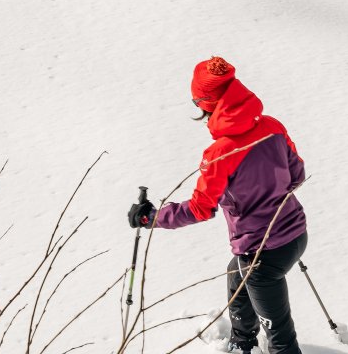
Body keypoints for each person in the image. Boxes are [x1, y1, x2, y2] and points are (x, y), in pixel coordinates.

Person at [128, 56, 307, 354]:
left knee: (282, 342)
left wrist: (151, 218)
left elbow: (200, 209)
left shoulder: (220, 153)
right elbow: (297, 175)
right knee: (236, 279)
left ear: (207, 103)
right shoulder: (273, 127)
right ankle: (242, 343)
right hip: (296, 236)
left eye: (197, 102)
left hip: (264, 253)